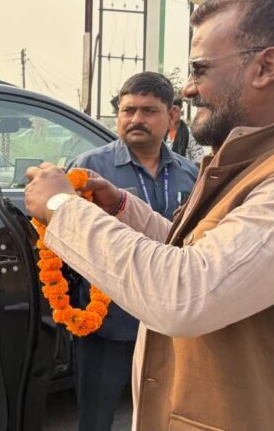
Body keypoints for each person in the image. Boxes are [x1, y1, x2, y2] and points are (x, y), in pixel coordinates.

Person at [24, 0, 274, 431]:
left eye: (200, 68)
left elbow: (186, 292)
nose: (188, 89)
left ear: (266, 66)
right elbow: (202, 255)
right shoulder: (254, 159)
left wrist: (61, 207)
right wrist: (122, 208)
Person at [67, 72, 197, 431]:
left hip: (169, 322)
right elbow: (66, 237)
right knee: (96, 419)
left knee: (165, 415)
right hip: (110, 322)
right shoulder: (89, 168)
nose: (136, 119)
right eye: (128, 110)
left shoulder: (190, 173)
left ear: (172, 116)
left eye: (149, 111)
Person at [165, 97, 205, 163]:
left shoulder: (189, 133)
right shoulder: (162, 132)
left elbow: (199, 158)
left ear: (181, 113)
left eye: (175, 110)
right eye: (170, 111)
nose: (172, 114)